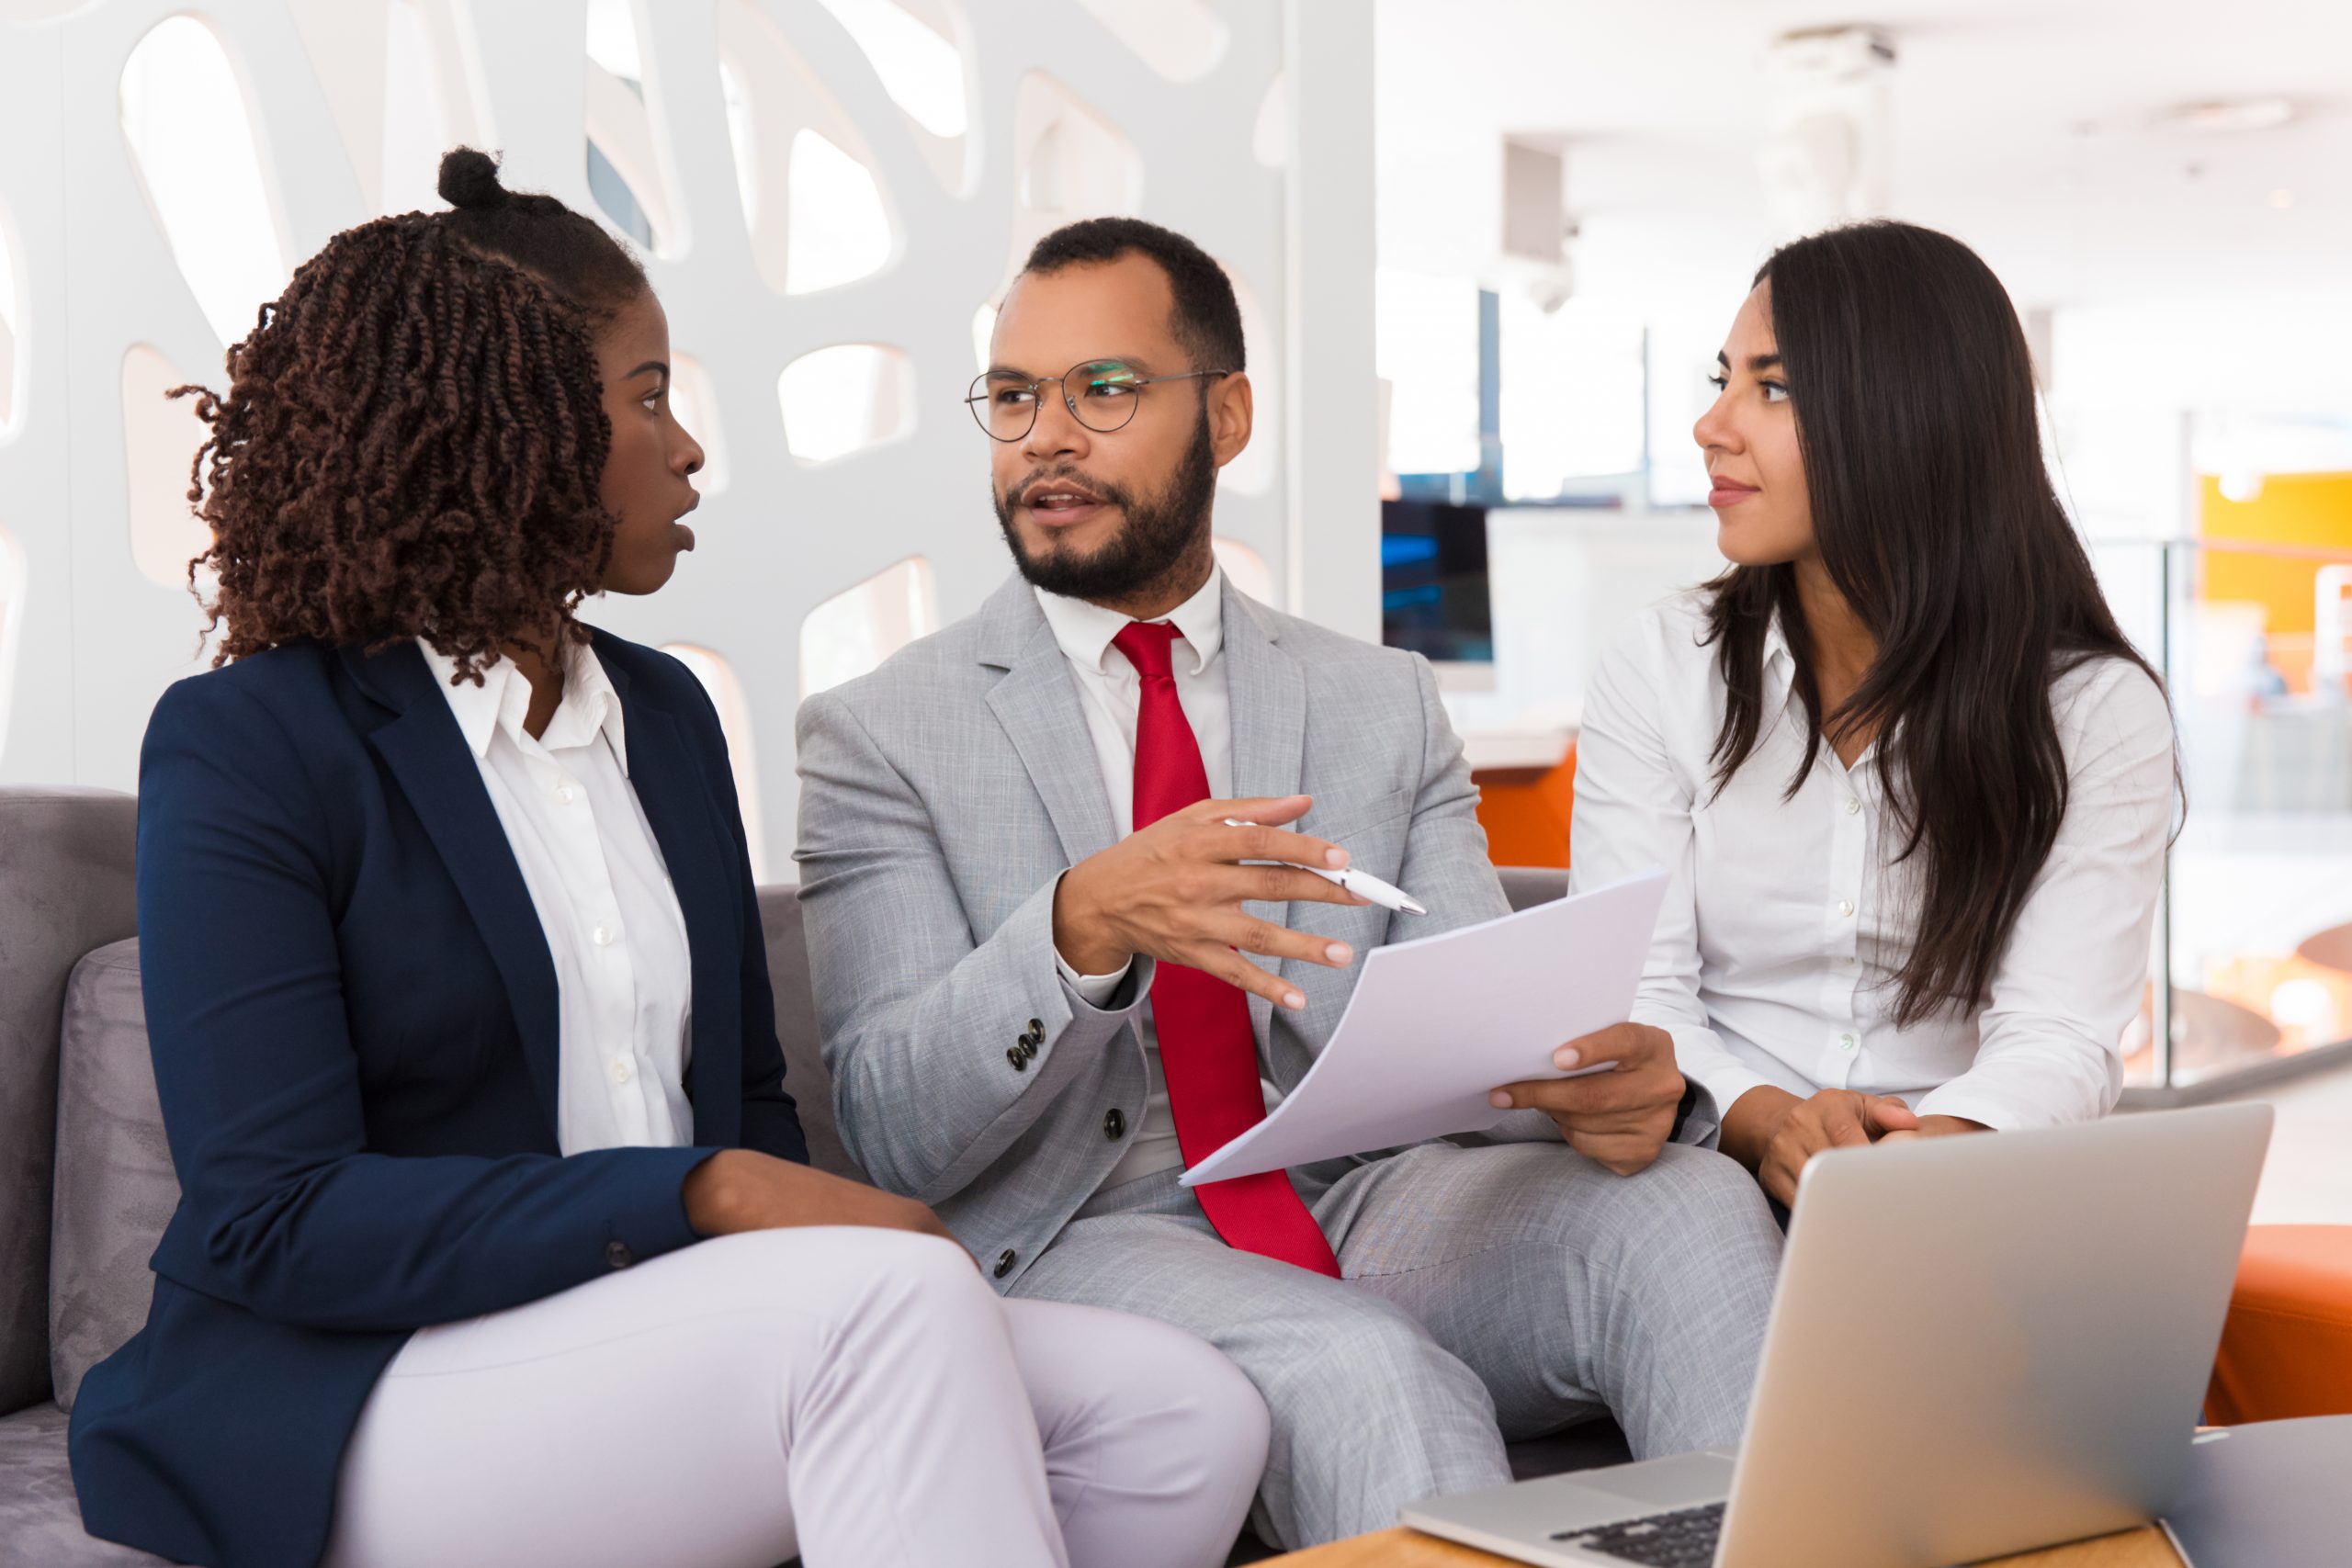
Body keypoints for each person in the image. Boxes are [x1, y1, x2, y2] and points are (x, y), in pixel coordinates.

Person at [68, 152, 1266, 1568]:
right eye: (646, 396)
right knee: (889, 1309)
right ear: (502, 424)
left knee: (1183, 1409)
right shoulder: (255, 738)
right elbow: (276, 1212)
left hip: (657, 1339)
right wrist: (706, 1194)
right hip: (363, 1379)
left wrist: (740, 1189)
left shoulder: (667, 716)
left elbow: (746, 1100)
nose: (688, 446)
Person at [794, 216, 1783, 1551]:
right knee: (1366, 1368)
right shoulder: (879, 730)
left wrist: (1591, 1081)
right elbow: (889, 1125)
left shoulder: (1376, 698)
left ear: (1231, 412)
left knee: (1689, 1207)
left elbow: (1487, 1034)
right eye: (1016, 397)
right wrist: (1081, 922)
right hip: (1088, 1227)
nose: (1047, 439)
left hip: (1377, 1192)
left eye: (1104, 389)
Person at [1569, 220, 2177, 1212]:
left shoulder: (2093, 711)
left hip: (1962, 1183)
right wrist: (1769, 1121)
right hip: (1703, 1167)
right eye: (1720, 379)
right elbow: (1636, 994)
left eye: (1772, 387)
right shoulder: (1662, 662)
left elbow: (2059, 1034)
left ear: (1904, 416)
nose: (1711, 425)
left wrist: (1925, 1151)